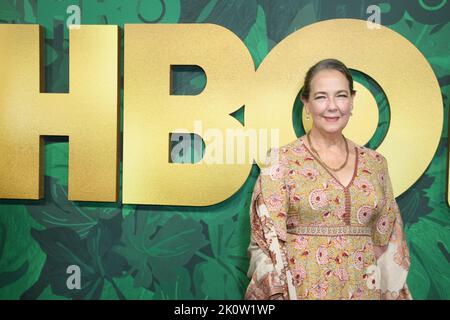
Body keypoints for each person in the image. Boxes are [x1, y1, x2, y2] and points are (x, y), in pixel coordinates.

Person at [245, 58, 412, 300]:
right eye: (321, 96)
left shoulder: (375, 164)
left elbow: (387, 242)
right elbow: (264, 244)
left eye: (341, 95)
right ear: (306, 103)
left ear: (352, 101)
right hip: (302, 293)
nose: (332, 106)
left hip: (364, 292)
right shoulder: (281, 161)